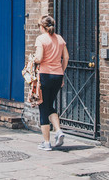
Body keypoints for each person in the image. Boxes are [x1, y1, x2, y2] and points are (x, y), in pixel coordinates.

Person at [32, 15, 69, 151]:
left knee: (43, 107)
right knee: (49, 105)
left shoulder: (41, 39)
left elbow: (40, 58)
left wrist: (34, 59)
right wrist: (61, 71)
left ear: (42, 27)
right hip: (58, 75)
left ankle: (46, 142)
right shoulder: (59, 39)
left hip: (45, 75)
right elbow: (66, 57)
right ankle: (58, 131)